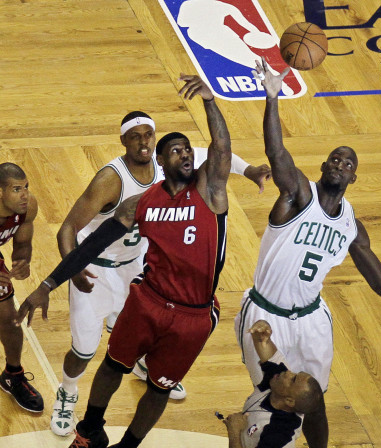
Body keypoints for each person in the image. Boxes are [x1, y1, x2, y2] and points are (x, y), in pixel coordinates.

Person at [233, 59, 381, 447]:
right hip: (266, 313)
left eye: (347, 163)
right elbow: (276, 151)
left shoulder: (352, 228)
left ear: (353, 177)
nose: (340, 164)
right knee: (274, 396)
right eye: (334, 158)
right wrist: (272, 95)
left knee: (314, 401)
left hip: (312, 319)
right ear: (323, 166)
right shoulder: (298, 195)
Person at [17, 74, 233, 448]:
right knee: (101, 358)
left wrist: (211, 102)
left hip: (189, 309)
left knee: (158, 388)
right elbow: (91, 241)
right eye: (176, 151)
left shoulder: (209, 192)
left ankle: (131, 436)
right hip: (139, 291)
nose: (185, 154)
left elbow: (224, 147)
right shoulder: (140, 202)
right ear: (163, 162)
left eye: (187, 150)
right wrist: (46, 285)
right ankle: (86, 424)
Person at [50, 110, 270, 437]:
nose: (143, 142)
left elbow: (220, 157)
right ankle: (68, 391)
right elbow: (68, 227)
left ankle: (146, 366)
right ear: (124, 141)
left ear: (156, 142)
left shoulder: (171, 164)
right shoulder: (112, 179)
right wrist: (73, 268)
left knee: (141, 332)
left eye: (148, 135)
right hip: (96, 271)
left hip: (138, 267)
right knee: (85, 349)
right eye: (135, 136)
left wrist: (250, 170)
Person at [223, 320, 323, 448]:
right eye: (295, 374)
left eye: (293, 380)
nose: (288, 373)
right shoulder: (278, 380)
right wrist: (262, 331)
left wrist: (234, 432)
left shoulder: (278, 436)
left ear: (289, 401)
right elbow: (264, 345)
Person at [0, 163, 43, 413]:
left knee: (9, 319)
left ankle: (12, 375)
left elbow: (23, 243)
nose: (25, 194)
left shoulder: (28, 208)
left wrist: (22, 263)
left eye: (26, 187)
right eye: (17, 189)